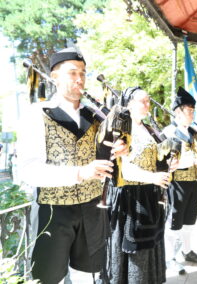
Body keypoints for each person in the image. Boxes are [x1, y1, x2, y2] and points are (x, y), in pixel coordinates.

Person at [18, 47, 128, 284]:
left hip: (92, 208)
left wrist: (121, 149)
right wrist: (80, 172)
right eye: (72, 73)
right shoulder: (37, 114)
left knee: (88, 276)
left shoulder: (96, 116)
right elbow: (28, 169)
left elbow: (111, 151)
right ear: (54, 76)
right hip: (52, 210)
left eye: (83, 73)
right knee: (48, 278)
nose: (80, 79)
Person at [106, 87, 175, 283]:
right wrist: (152, 178)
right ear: (129, 104)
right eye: (142, 101)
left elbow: (156, 161)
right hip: (130, 197)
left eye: (148, 101)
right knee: (136, 253)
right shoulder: (121, 130)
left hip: (149, 195)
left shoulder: (149, 129)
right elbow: (124, 169)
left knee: (150, 249)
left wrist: (169, 165)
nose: (147, 105)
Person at [162, 87, 197, 274]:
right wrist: (195, 160)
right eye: (189, 111)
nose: (192, 114)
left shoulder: (192, 133)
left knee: (190, 221)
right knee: (174, 222)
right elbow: (169, 161)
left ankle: (187, 251)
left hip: (193, 182)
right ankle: (169, 258)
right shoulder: (169, 132)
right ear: (178, 112)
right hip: (176, 184)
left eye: (193, 111)